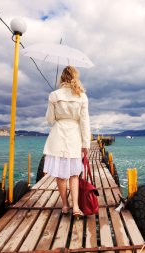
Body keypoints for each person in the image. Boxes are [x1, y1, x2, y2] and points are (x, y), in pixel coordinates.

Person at [43, 65, 91, 218]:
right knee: (74, 175)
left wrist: (56, 105)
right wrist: (86, 144)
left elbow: (50, 120)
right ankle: (76, 207)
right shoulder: (82, 96)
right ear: (75, 78)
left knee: (61, 175)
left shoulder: (54, 95)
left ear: (62, 78)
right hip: (74, 137)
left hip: (57, 137)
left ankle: (65, 205)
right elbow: (85, 122)